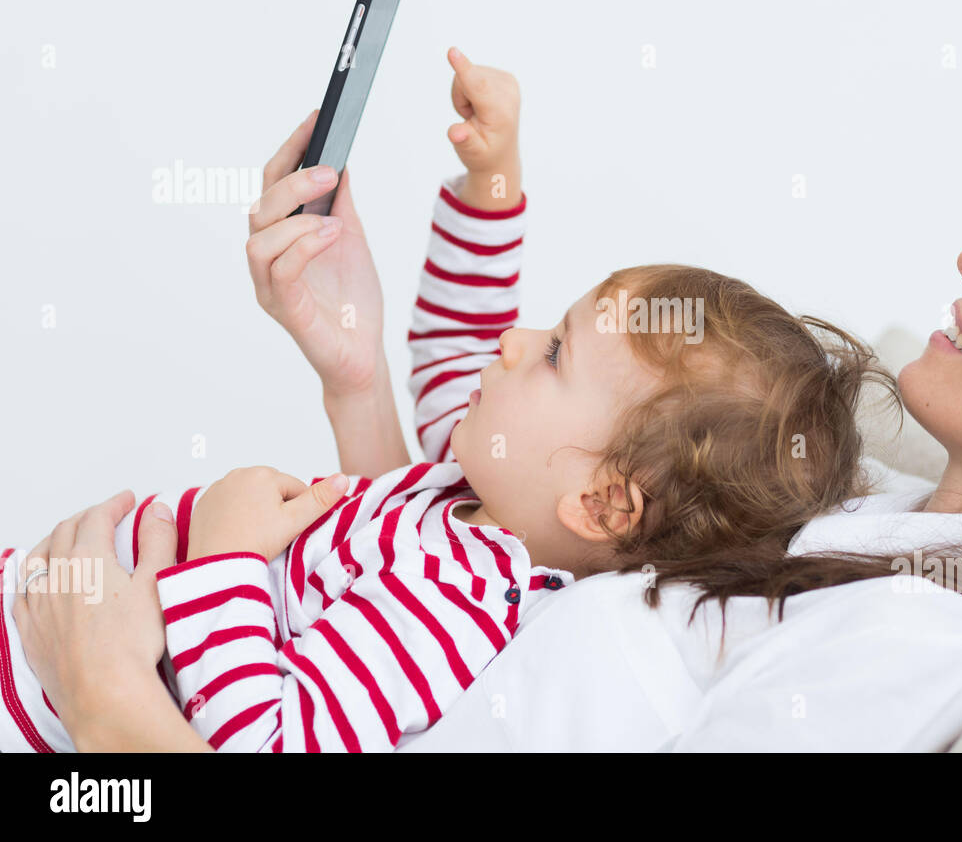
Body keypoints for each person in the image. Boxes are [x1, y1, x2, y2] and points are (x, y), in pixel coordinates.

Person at [18, 103, 962, 749]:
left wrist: (117, 702)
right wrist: (356, 381)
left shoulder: (923, 646)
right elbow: (445, 621)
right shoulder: (881, 521)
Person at [2, 49, 886, 752]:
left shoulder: (455, 603)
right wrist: (488, 185)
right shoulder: (486, 495)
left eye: (552, 355)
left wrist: (224, 557)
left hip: (35, 693)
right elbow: (457, 345)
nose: (512, 342)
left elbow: (265, 737)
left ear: (604, 500)